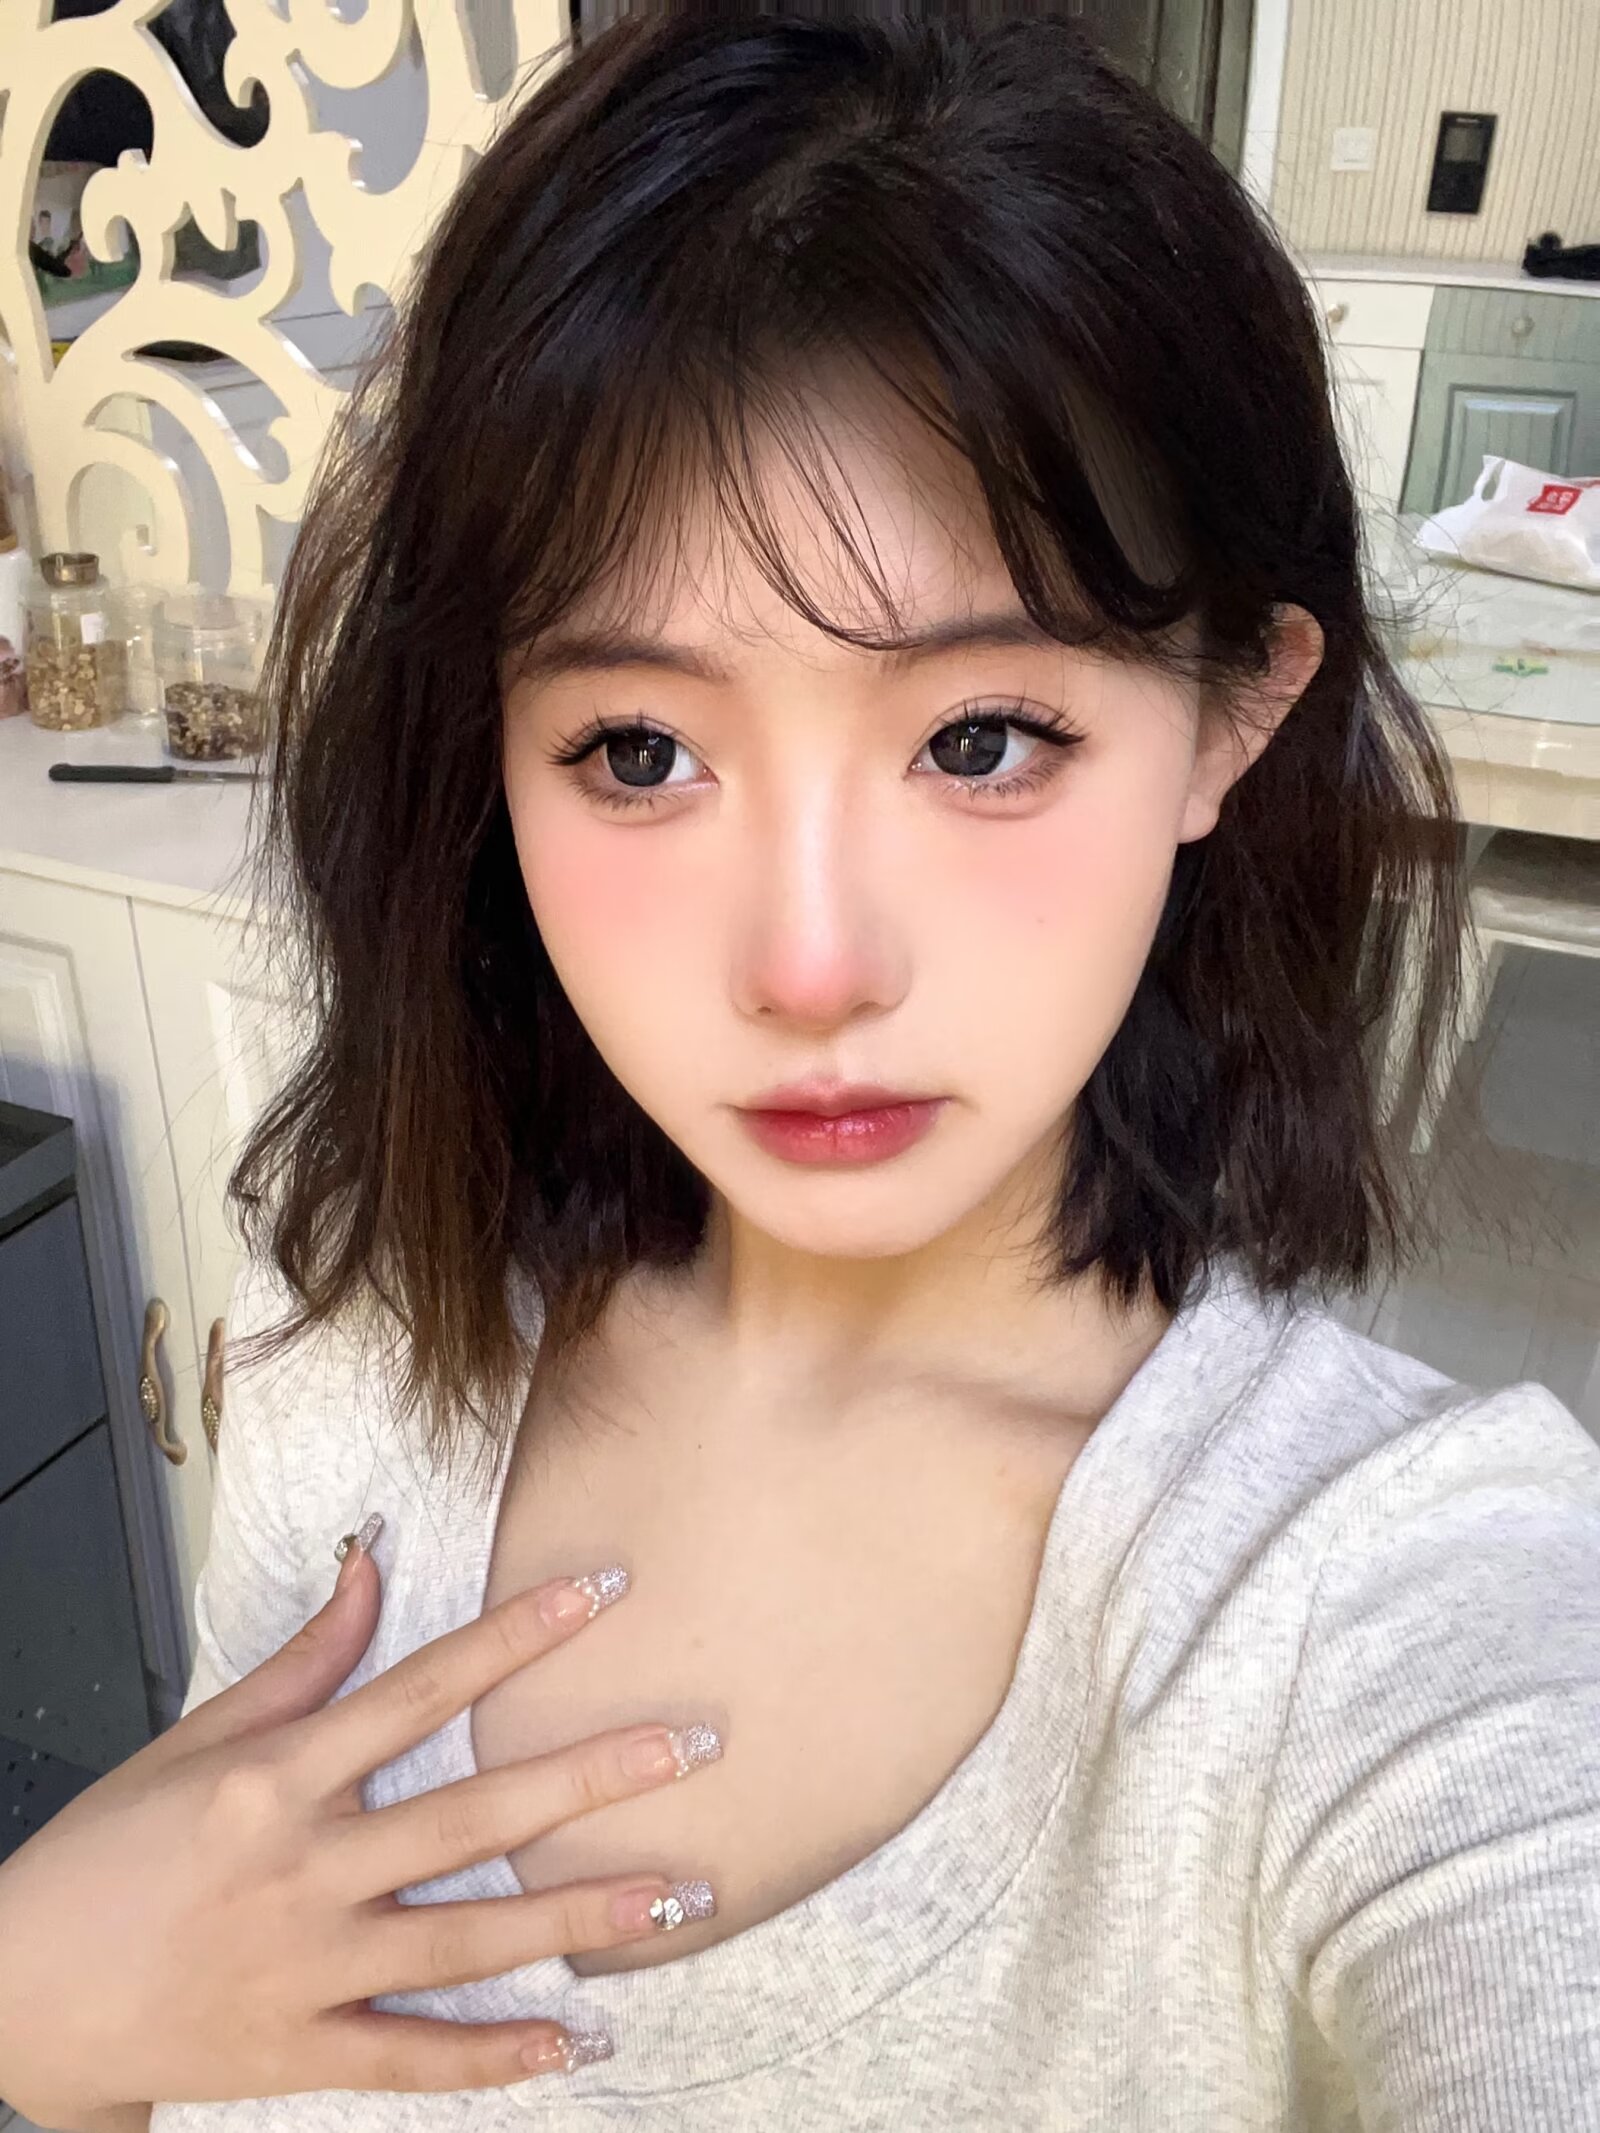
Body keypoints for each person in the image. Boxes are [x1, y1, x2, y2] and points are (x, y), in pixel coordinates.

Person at [2, 6, 1597, 2129]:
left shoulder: (1378, 1599)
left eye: (980, 739)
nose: (809, 964)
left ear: (1229, 714)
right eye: (639, 749)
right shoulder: (362, 1360)